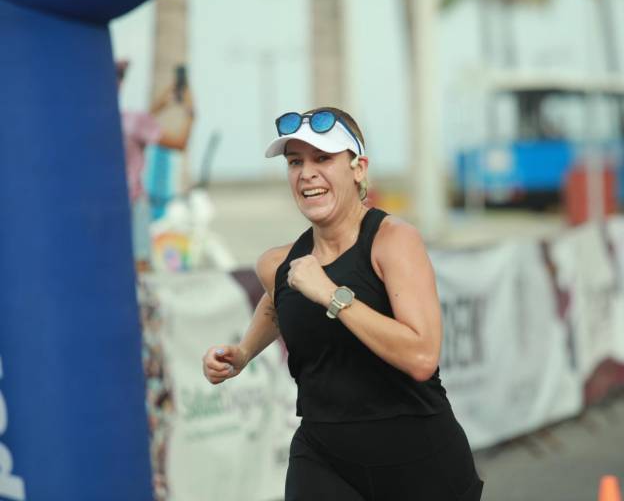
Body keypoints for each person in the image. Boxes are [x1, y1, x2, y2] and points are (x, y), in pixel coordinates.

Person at [202, 107, 484, 500]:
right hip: (324, 459)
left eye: (322, 159)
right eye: (295, 162)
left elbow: (422, 357)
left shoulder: (393, 242)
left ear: (358, 168)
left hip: (419, 461)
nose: (306, 173)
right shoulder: (280, 265)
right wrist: (244, 351)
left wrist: (331, 295)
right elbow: (276, 302)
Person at [116, 59, 195, 271]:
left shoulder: (96, 120)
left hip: (103, 204)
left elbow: (140, 122)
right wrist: (191, 113)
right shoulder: (133, 121)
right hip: (133, 201)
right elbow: (180, 143)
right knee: (141, 264)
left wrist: (162, 103)